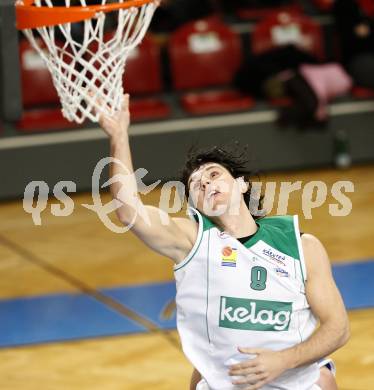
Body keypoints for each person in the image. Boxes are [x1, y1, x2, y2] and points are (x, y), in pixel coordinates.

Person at [96, 94, 350, 389]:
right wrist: (118, 136)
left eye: (214, 174)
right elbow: (129, 211)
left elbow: (338, 328)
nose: (205, 182)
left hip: (291, 376)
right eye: (196, 185)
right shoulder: (193, 239)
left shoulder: (301, 245)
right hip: (225, 382)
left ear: (241, 183)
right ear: (195, 206)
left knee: (324, 378)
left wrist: (284, 360)